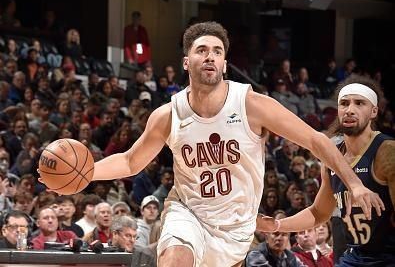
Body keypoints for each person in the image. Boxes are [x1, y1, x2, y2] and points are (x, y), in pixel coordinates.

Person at [42, 22, 382, 267]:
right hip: (187, 211)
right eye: (202, 50)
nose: (210, 57)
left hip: (236, 228)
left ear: (223, 62)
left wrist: (353, 182)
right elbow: (131, 162)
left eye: (217, 51)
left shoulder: (251, 104)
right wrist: (84, 175)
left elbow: (314, 139)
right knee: (175, 255)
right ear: (186, 62)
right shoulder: (168, 114)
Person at [257, 75, 394, 266]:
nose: (350, 110)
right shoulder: (333, 156)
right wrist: (278, 225)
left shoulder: (387, 152)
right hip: (354, 256)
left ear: (374, 111)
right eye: (344, 104)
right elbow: (319, 213)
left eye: (359, 103)